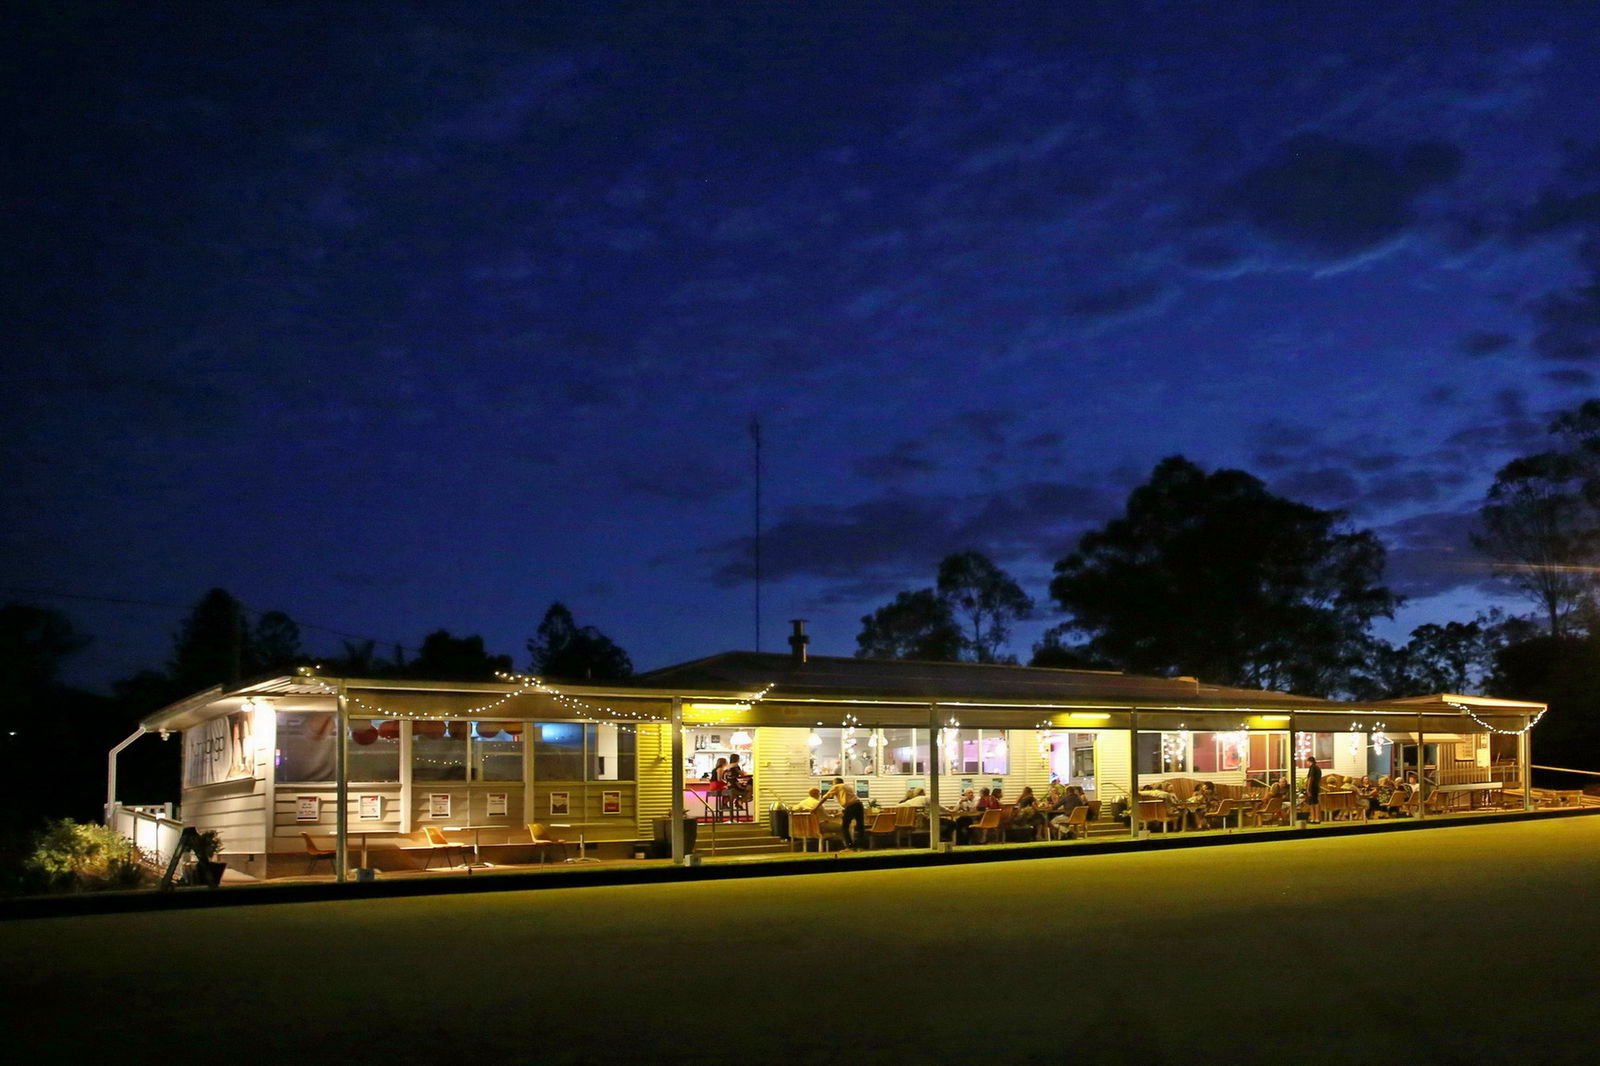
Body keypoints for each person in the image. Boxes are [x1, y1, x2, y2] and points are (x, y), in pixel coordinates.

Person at [821, 777, 866, 850]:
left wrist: (816, 807)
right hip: (859, 805)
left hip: (851, 806)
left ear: (835, 782)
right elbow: (849, 800)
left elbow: (825, 797)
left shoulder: (836, 786)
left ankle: (850, 847)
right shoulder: (847, 786)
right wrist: (844, 811)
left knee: (844, 827)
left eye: (832, 784)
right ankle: (861, 846)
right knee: (860, 826)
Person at [1305, 758, 1323, 823]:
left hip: (1312, 787)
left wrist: (1308, 788)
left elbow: (1310, 778)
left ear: (1310, 762)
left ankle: (1315, 818)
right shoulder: (1318, 768)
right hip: (1316, 786)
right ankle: (1315, 818)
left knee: (1313, 803)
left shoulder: (1312, 768)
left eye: (1307, 762)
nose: (1306, 763)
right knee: (1314, 802)